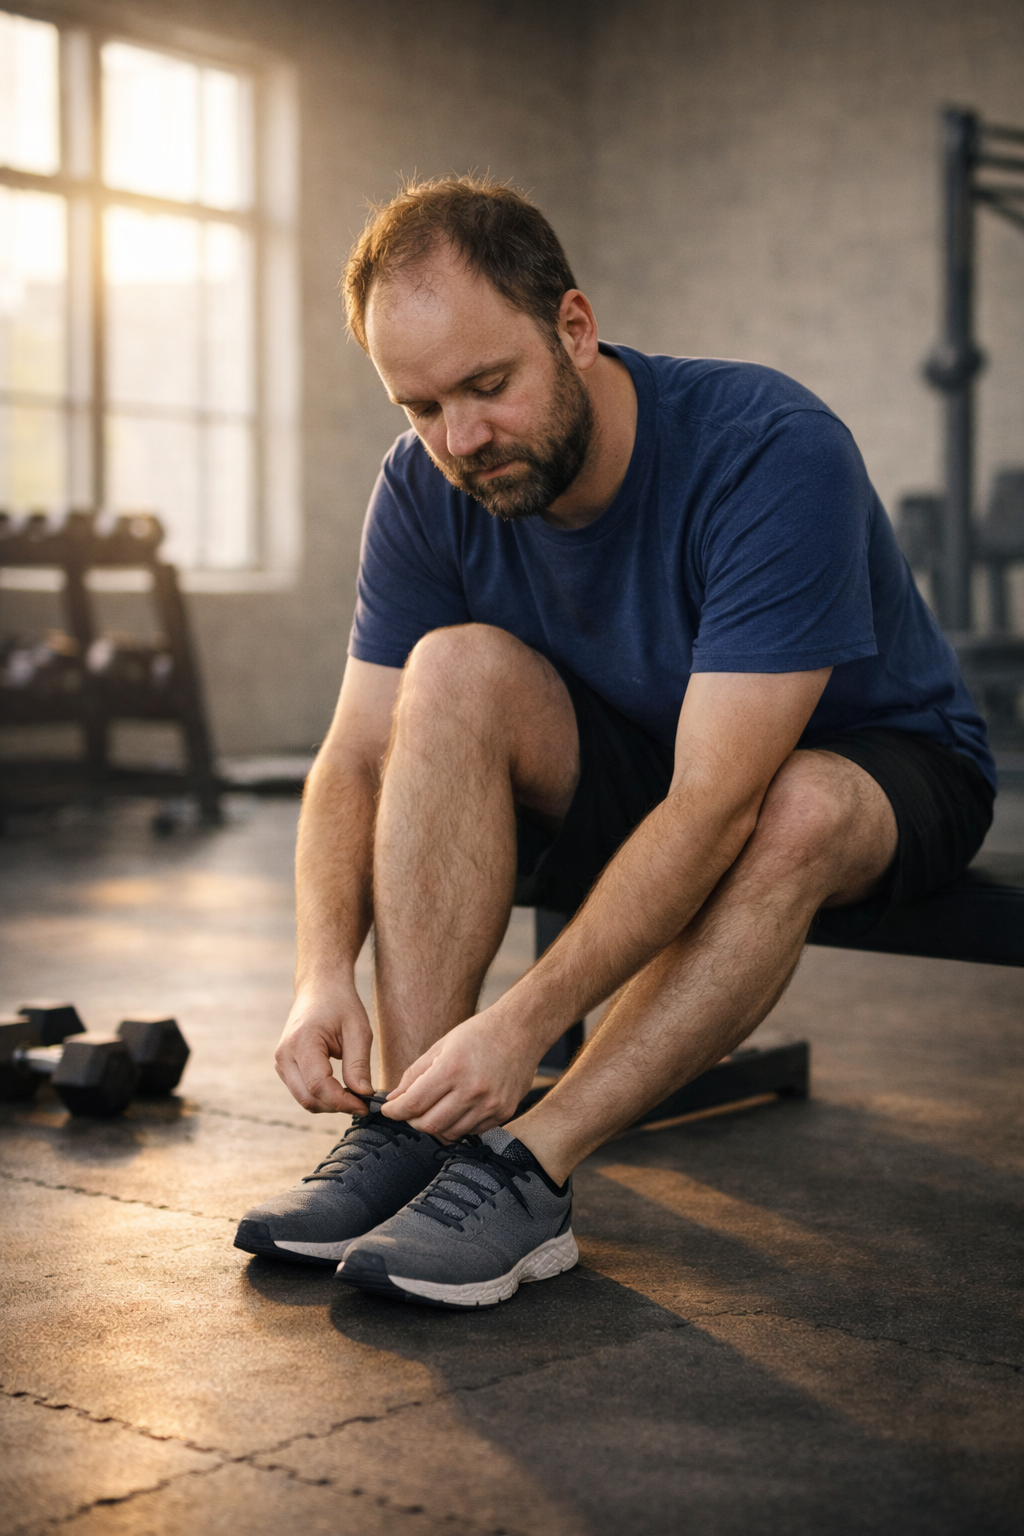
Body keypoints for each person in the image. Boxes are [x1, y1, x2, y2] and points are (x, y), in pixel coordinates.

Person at [235, 177, 994, 1308]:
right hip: (640, 743)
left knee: (795, 805)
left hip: (876, 758)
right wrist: (315, 975)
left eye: (488, 386)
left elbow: (713, 806)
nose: (462, 437)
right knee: (449, 668)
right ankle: (419, 1126)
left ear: (574, 329)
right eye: (422, 407)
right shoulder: (423, 483)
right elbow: (352, 756)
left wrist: (524, 1025)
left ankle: (529, 1169)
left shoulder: (770, 448)